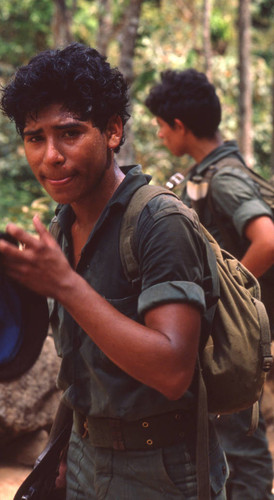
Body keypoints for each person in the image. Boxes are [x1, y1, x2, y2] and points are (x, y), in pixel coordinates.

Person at [0, 43, 228, 499]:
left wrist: (65, 285)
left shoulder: (159, 223)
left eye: (69, 133)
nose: (51, 156)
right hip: (84, 455)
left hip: (161, 471)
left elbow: (171, 370)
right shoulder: (64, 226)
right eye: (34, 138)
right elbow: (80, 367)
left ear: (113, 131)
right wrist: (65, 449)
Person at [145, 68, 274, 500]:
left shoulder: (224, 178)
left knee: (241, 444)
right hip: (231, 337)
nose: (160, 135)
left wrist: (228, 300)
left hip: (234, 339)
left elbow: (268, 239)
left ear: (180, 125)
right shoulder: (203, 174)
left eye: (162, 127)